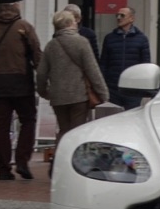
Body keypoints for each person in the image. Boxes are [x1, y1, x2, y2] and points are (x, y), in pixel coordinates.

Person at [36, 10, 109, 166]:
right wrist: (103, 93)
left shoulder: (51, 46)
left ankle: (58, 161)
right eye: (74, 21)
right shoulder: (82, 42)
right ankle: (73, 164)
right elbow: (92, 70)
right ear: (69, 24)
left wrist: (44, 92)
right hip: (79, 95)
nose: (76, 23)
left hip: (58, 96)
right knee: (77, 130)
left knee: (63, 129)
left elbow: (41, 73)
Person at [0, 0, 42, 180]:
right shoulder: (24, 27)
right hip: (21, 82)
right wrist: (42, 78)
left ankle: (3, 168)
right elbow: (36, 53)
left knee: (2, 125)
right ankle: (22, 161)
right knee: (28, 120)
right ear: (14, 6)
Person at [101, 4, 151, 108]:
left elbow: (145, 64)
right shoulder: (109, 38)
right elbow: (104, 63)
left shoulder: (141, 39)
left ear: (132, 18)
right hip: (113, 87)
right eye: (117, 15)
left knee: (131, 117)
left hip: (133, 88)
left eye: (122, 15)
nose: (119, 18)